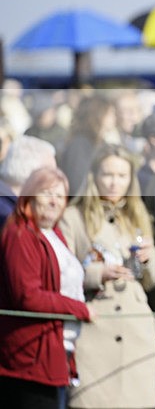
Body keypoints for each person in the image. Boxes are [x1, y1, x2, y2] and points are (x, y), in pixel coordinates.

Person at [59, 145, 155, 408]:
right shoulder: (73, 217)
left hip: (137, 332)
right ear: (94, 176)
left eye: (122, 175)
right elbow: (60, 273)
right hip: (94, 330)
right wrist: (98, 274)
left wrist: (149, 259)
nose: (115, 182)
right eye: (108, 174)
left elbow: (152, 281)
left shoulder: (138, 215)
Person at [0, 167, 93, 409]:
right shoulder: (20, 233)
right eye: (47, 193)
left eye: (60, 196)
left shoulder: (53, 233)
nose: (54, 201)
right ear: (30, 195)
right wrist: (79, 309)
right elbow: (28, 296)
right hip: (28, 359)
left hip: (54, 353)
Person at [57, 95, 118, 194]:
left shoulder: (102, 144)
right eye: (110, 113)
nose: (115, 117)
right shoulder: (79, 145)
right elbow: (77, 184)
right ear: (98, 115)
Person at [0, 135, 58, 228]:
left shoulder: (15, 206)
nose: (56, 180)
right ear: (30, 172)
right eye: (50, 173)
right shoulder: (8, 215)